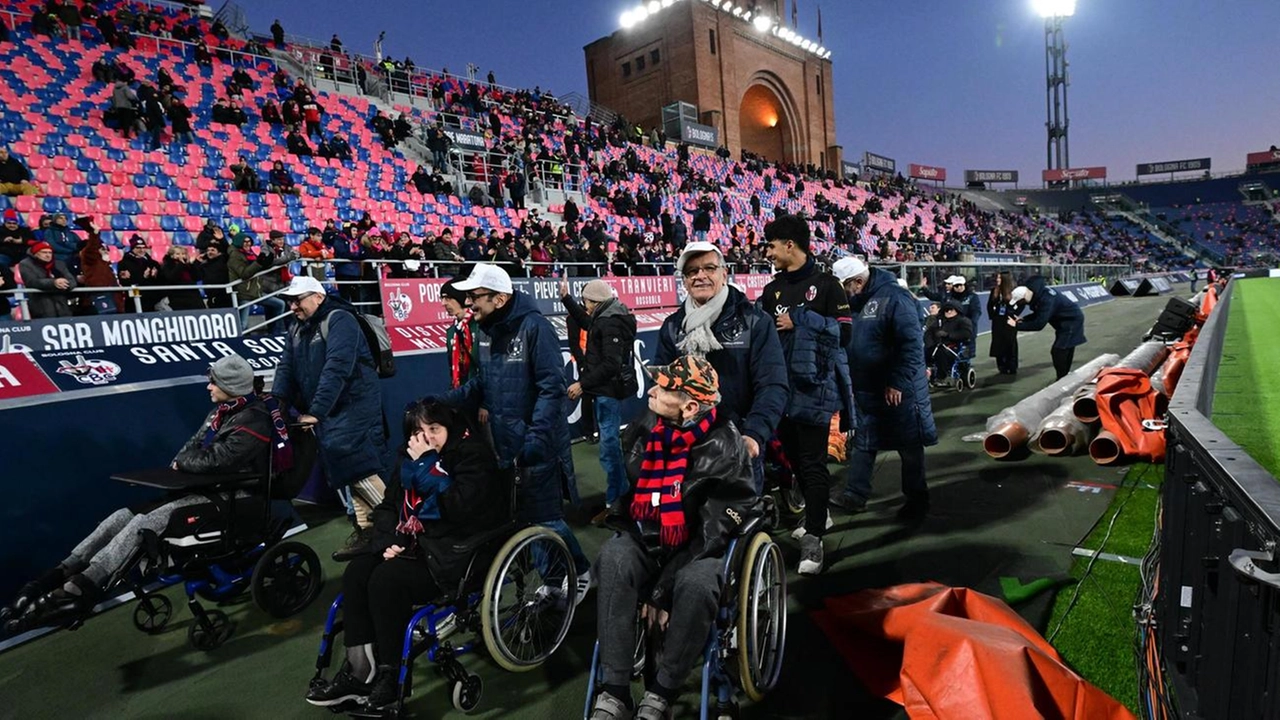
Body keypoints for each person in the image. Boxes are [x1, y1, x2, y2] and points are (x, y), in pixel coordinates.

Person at [1, 355, 291, 634]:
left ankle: (80, 589)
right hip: (211, 490)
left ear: (230, 386)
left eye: (213, 382)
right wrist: (188, 462)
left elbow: (217, 460)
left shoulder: (254, 419)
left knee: (149, 523)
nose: (208, 386)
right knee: (121, 517)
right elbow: (188, 453)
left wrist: (188, 462)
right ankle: (56, 577)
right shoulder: (220, 414)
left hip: (241, 497)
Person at [305, 401, 508, 710]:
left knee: (386, 582)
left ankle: (391, 674)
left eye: (434, 430)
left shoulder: (471, 455)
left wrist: (427, 464)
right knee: (358, 572)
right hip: (413, 544)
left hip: (455, 552)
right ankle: (360, 671)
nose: (426, 438)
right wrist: (391, 540)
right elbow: (389, 507)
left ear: (449, 428)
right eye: (418, 432)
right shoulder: (407, 457)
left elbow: (459, 508)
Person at [588, 354, 757, 720]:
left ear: (691, 405)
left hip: (701, 546)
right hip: (652, 536)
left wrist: (661, 590)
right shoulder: (649, 422)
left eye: (664, 387)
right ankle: (615, 690)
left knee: (696, 585)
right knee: (615, 558)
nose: (652, 389)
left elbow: (711, 534)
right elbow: (632, 496)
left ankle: (662, 690)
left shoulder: (725, 446)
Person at [440, 264, 593, 603]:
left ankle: (579, 570)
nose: (469, 303)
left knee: (548, 519)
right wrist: (443, 403)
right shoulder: (489, 332)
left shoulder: (534, 328)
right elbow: (483, 383)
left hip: (538, 445)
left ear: (500, 297)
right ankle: (555, 578)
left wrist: (536, 439)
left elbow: (551, 388)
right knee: (526, 520)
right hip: (508, 445)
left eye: (475, 296)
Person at [653, 241, 788, 497]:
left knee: (735, 525)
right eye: (692, 271)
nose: (700, 276)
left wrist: (753, 435)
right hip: (686, 445)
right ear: (684, 279)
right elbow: (664, 384)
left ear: (724, 274)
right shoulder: (672, 327)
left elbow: (773, 385)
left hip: (739, 444)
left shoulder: (755, 322)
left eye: (709, 268)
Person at [758, 216, 852, 575]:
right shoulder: (772, 290)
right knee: (794, 459)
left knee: (812, 463)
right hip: (780, 390)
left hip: (815, 389)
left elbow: (844, 335)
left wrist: (802, 321)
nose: (768, 253)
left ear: (789, 245)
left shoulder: (828, 286)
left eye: (771, 246)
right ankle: (819, 513)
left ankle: (814, 538)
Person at [274, 276, 389, 560]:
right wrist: (276, 402)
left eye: (298, 300)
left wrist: (316, 411)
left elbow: (338, 367)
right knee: (348, 468)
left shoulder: (340, 320)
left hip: (354, 403)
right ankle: (368, 530)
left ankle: (394, 521)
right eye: (290, 300)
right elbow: (285, 367)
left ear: (318, 297)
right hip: (329, 409)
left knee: (356, 463)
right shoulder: (297, 328)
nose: (292, 306)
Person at [830, 256, 938, 523]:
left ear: (857, 281)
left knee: (909, 445)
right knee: (864, 443)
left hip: (898, 390)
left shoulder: (895, 298)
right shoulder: (855, 301)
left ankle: (917, 500)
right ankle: (855, 495)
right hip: (867, 387)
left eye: (844, 285)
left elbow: (912, 345)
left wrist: (897, 381)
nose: (842, 292)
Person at [560, 279, 638, 524]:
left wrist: (583, 384)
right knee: (609, 447)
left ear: (594, 303)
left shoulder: (610, 322)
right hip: (604, 392)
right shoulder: (605, 316)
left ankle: (617, 503)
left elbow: (610, 364)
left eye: (586, 303)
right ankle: (621, 498)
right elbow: (586, 323)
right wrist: (566, 299)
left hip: (607, 393)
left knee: (609, 450)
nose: (586, 309)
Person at [1010, 275, 1086, 379]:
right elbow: (1038, 314)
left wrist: (1016, 325)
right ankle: (1065, 376)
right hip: (1063, 321)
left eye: (1020, 301)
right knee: (1065, 348)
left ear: (1024, 298)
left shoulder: (1047, 299)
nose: (1020, 304)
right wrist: (1023, 319)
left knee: (1059, 350)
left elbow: (1039, 324)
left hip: (1071, 321)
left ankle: (1062, 378)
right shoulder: (1038, 294)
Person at [18, 242, 78, 318]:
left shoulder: (59, 264)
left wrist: (64, 284)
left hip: (62, 306)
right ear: (35, 253)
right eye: (44, 252)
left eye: (50, 252)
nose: (48, 255)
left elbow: (72, 281)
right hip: (41, 305)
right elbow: (32, 282)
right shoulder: (25, 264)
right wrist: (53, 283)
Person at [440, 278, 479, 388]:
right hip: (461, 392)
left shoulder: (480, 325)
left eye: (448, 298)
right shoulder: (452, 331)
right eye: (442, 298)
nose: (443, 303)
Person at [926, 301, 974, 382]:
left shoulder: (963, 321)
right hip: (936, 345)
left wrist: (948, 335)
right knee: (924, 351)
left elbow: (966, 334)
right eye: (946, 310)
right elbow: (929, 333)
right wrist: (929, 344)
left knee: (941, 353)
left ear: (957, 310)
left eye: (951, 309)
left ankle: (941, 376)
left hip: (954, 347)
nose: (948, 312)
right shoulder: (938, 321)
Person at [116, 234, 162, 311]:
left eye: (144, 247)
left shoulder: (153, 263)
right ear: (132, 248)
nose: (142, 250)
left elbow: (160, 279)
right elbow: (125, 282)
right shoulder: (124, 263)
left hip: (152, 300)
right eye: (138, 248)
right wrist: (143, 277)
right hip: (134, 300)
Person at [987, 271, 1019, 375]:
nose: (997, 280)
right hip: (998, 321)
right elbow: (989, 305)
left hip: (1009, 320)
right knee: (998, 342)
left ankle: (1012, 365)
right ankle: (1002, 366)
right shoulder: (994, 291)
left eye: (1000, 278)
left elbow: (1021, 304)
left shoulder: (1013, 291)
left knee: (1011, 343)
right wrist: (993, 316)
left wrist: (1015, 314)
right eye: (997, 277)